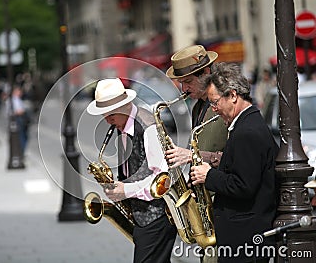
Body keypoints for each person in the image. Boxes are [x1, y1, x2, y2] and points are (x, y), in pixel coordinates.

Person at [190, 63, 279, 262]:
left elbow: (243, 185)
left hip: (245, 240)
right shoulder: (247, 124)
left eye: (215, 102)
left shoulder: (246, 132)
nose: (213, 109)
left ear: (232, 95)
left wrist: (208, 175)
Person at [86, 78, 177, 263]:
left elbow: (162, 179)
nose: (107, 120)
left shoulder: (148, 127)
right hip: (141, 215)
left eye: (111, 113)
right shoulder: (122, 125)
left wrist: (124, 190)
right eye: (104, 114)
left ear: (125, 105)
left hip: (157, 215)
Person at [165, 45, 228, 171]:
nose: (184, 89)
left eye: (188, 82)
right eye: (181, 83)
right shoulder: (197, 107)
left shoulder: (228, 105)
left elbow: (239, 159)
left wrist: (191, 156)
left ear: (206, 72)